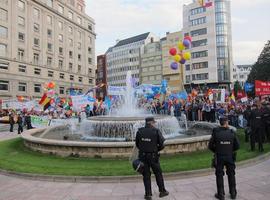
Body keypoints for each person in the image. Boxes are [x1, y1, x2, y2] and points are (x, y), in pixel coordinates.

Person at [136, 117, 169, 200]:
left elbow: (137, 144)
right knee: (158, 173)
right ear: (150, 123)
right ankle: (162, 191)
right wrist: (155, 149)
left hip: (143, 156)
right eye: (154, 122)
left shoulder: (139, 131)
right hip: (153, 156)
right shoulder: (156, 131)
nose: (155, 124)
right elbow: (162, 144)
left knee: (146, 175)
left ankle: (148, 194)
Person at [208, 116, 240, 200]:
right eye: (227, 122)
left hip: (220, 156)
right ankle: (233, 193)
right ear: (226, 123)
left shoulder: (216, 132)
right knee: (231, 174)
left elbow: (210, 146)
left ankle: (221, 194)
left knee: (219, 175)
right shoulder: (231, 132)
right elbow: (237, 146)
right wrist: (229, 149)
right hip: (229, 156)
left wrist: (217, 150)